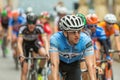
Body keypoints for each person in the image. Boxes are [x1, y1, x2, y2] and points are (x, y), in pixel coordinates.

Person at [48, 15, 96, 80]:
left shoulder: (86, 40)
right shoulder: (56, 39)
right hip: (59, 63)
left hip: (74, 65)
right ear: (65, 32)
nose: (77, 35)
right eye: (73, 32)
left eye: (79, 31)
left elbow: (91, 66)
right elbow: (54, 64)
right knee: (52, 77)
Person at [17, 12, 49, 80]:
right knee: (24, 71)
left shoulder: (39, 27)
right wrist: (21, 54)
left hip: (35, 43)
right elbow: (19, 42)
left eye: (33, 24)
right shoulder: (22, 27)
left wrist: (47, 52)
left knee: (44, 54)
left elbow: (45, 40)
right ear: (27, 23)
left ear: (36, 23)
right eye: (29, 23)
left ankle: (39, 71)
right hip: (25, 45)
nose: (31, 26)